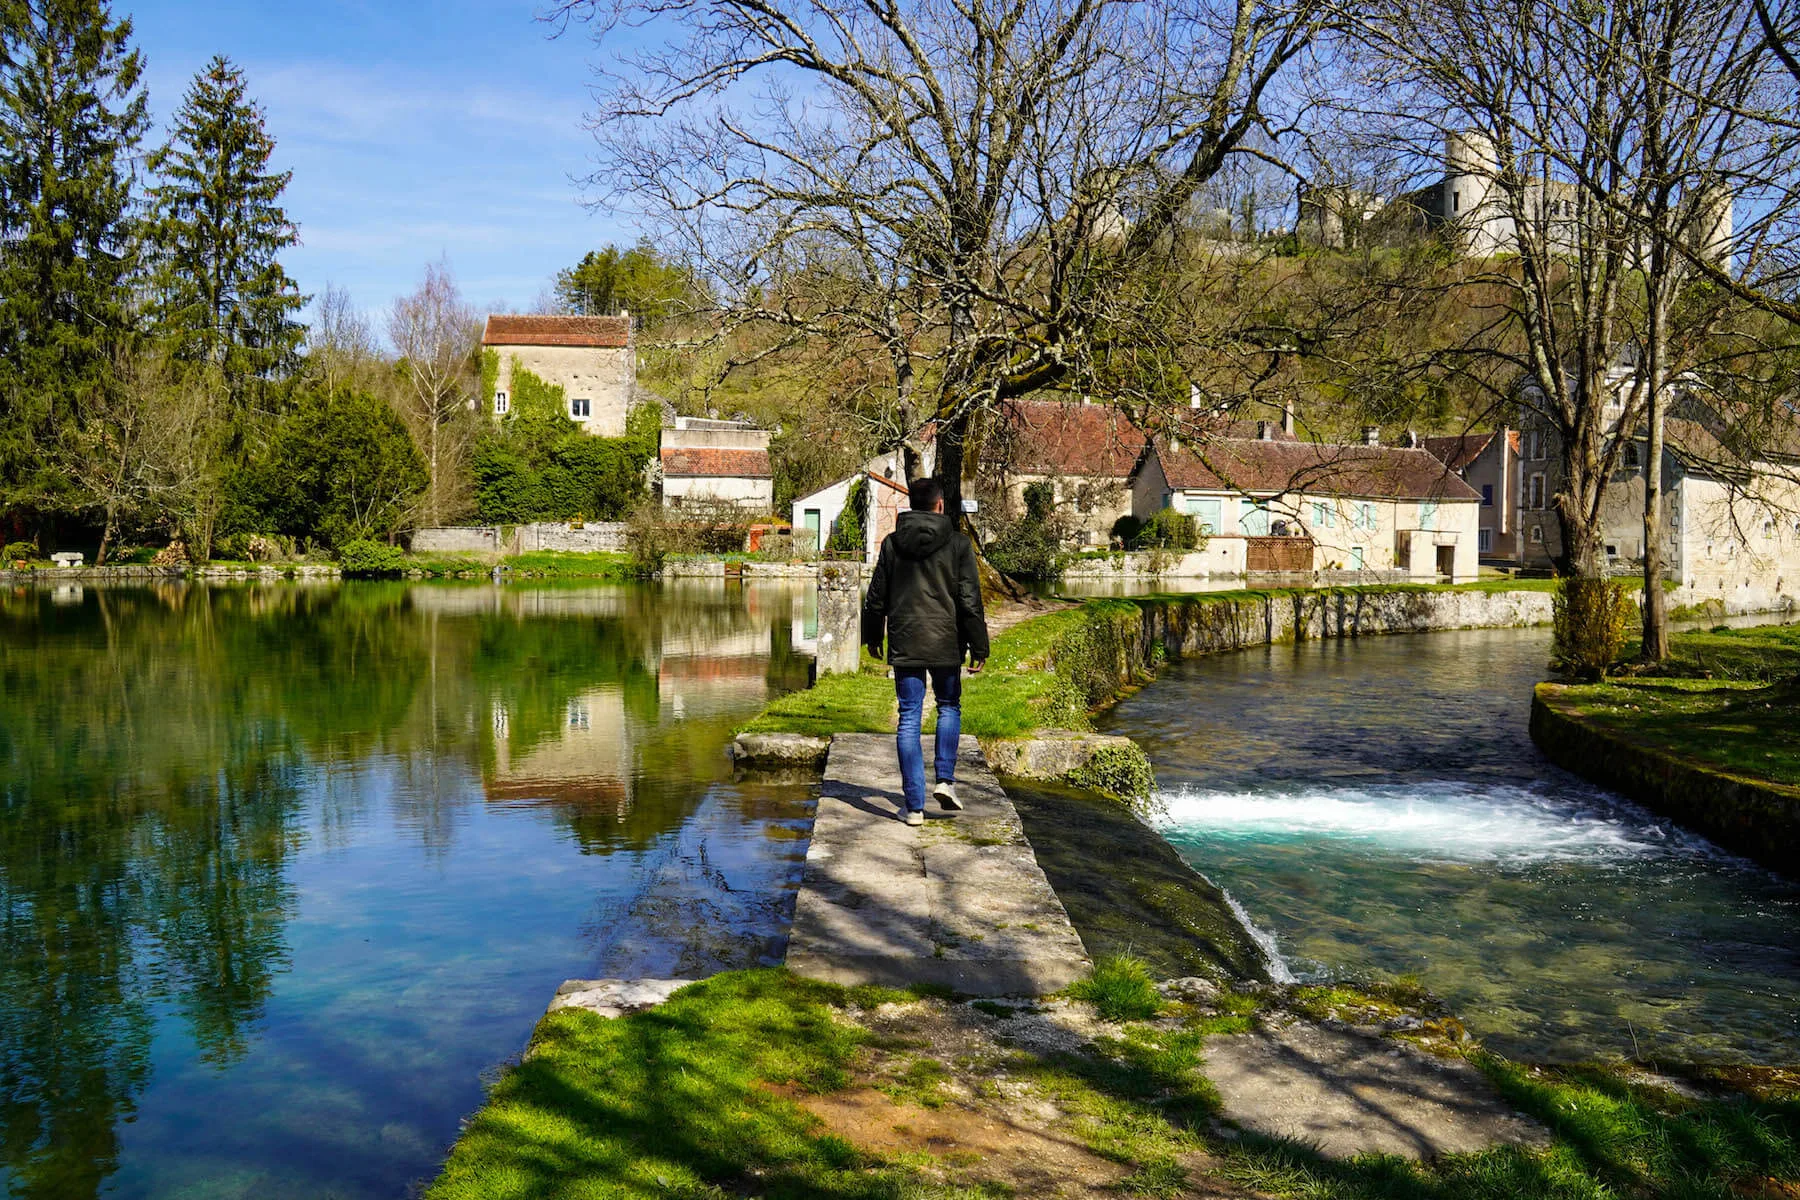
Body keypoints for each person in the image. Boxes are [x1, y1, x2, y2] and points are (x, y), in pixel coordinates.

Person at [861, 477, 990, 827]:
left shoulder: (891, 544)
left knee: (909, 718)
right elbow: (969, 600)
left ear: (912, 504)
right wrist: (979, 644)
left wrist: (872, 635)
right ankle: (945, 781)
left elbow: (876, 596)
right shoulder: (959, 544)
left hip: (905, 639)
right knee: (948, 706)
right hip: (947, 640)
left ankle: (914, 807)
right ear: (939, 505)